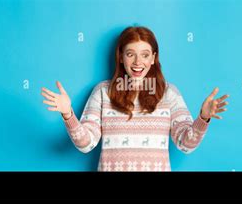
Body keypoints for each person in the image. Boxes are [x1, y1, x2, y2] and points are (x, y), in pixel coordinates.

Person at [41, 26, 229, 171]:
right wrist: (68, 114)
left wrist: (203, 118)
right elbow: (86, 144)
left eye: (145, 55)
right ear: (121, 57)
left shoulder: (169, 93)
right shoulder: (102, 92)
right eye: (131, 54)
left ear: (154, 58)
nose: (138, 62)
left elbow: (185, 144)